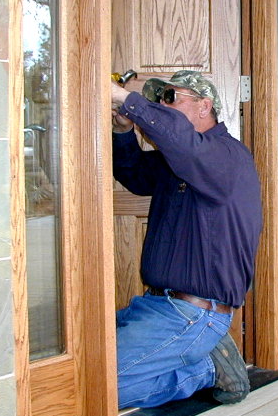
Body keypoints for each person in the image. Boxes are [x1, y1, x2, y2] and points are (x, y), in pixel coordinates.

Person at [111, 70, 263, 409]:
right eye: (158, 100)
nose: (162, 106)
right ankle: (202, 358)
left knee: (93, 386)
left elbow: (181, 142)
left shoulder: (227, 156)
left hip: (193, 313)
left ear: (204, 105)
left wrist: (123, 98)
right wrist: (122, 131)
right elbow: (135, 174)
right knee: (81, 367)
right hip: (156, 306)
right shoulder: (179, 161)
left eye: (170, 97)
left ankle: (207, 369)